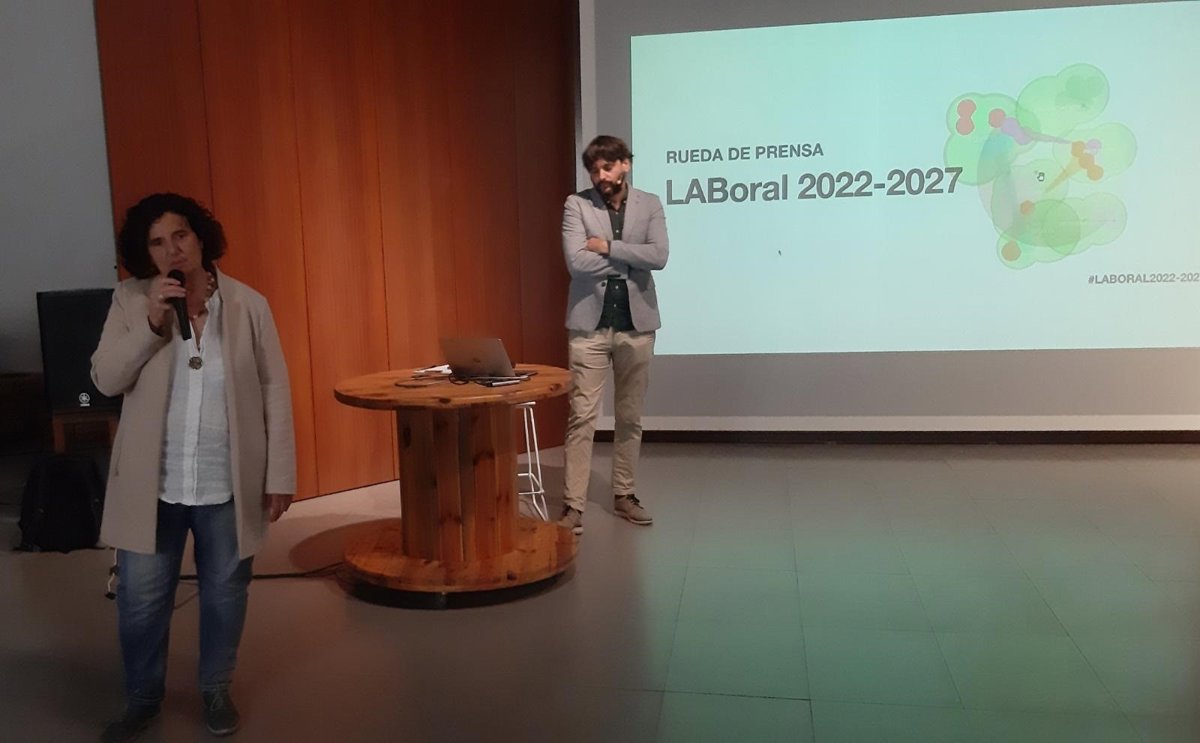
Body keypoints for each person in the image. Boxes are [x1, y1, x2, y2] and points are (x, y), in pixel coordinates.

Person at [92, 193, 295, 741]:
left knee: (226, 596)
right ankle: (142, 698)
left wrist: (280, 475)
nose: (172, 251)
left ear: (201, 237)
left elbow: (274, 389)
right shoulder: (131, 300)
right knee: (140, 602)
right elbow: (105, 379)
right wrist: (152, 322)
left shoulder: (248, 304)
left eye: (180, 235)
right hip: (153, 485)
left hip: (226, 483)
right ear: (146, 253)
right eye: (157, 243)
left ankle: (216, 688)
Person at [557, 135, 669, 535]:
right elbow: (576, 263)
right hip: (589, 326)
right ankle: (573, 504)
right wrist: (629, 257)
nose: (600, 176)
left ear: (625, 164)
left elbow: (659, 256)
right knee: (582, 417)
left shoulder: (649, 204)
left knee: (629, 416)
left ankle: (625, 494)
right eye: (594, 170)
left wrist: (605, 246)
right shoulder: (577, 204)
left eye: (607, 167)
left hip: (637, 326)